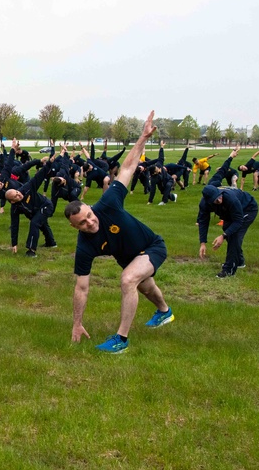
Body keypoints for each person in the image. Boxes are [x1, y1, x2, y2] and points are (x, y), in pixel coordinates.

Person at [64, 110, 173, 354]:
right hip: (130, 258)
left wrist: (143, 137)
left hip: (152, 246)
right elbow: (81, 287)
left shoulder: (109, 202)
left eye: (89, 216)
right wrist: (77, 323)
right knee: (145, 287)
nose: (90, 223)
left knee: (128, 280)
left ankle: (121, 340)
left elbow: (127, 167)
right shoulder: (84, 247)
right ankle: (165, 312)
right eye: (82, 223)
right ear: (74, 227)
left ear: (92, 208)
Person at [198, 184, 258, 278]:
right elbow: (203, 222)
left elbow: (238, 221)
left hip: (247, 209)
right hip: (230, 213)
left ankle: (228, 270)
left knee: (234, 235)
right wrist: (202, 243)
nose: (219, 200)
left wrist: (223, 236)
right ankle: (239, 261)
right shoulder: (204, 204)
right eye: (215, 200)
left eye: (219, 196)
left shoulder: (230, 198)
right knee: (227, 230)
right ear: (209, 201)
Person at [4, 157, 57, 257]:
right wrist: (14, 244)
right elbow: (15, 225)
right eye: (15, 196)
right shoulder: (14, 208)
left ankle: (31, 250)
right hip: (34, 211)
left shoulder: (27, 188)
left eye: (17, 192)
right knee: (42, 224)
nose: (18, 194)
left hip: (46, 205)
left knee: (35, 223)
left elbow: (39, 176)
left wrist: (49, 163)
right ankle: (51, 243)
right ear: (12, 201)